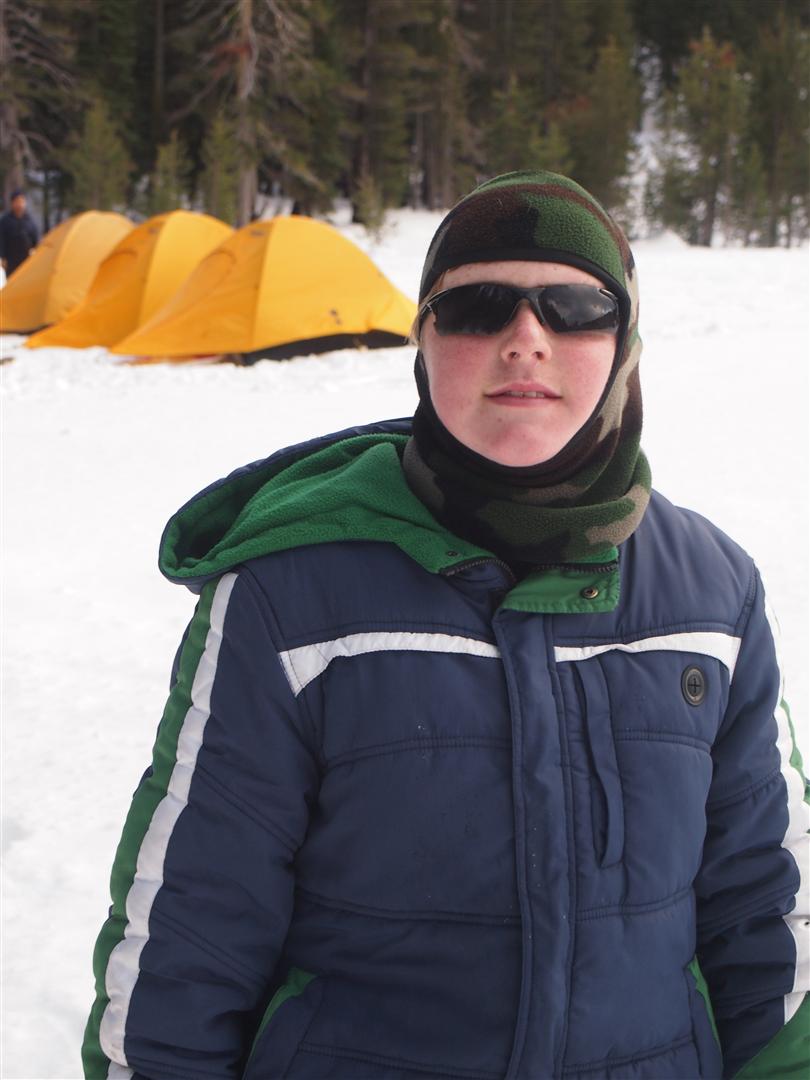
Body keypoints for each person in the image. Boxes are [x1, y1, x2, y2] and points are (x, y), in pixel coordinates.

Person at [82, 171, 809, 1080]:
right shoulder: (288, 597)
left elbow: (768, 918)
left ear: (624, 344)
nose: (526, 339)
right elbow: (190, 936)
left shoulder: (713, 595)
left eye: (575, 309)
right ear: (423, 342)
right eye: (478, 307)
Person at [0, 190, 39, 277]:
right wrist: (2, 257)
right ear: (12, 203)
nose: (19, 204)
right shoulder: (5, 221)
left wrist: (34, 250)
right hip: (11, 260)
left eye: (21, 201)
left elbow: (36, 239)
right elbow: (1, 240)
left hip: (27, 259)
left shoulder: (30, 220)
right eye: (17, 201)